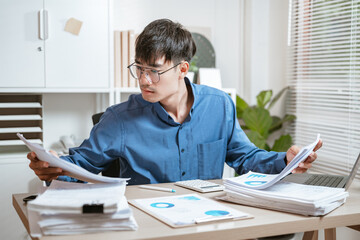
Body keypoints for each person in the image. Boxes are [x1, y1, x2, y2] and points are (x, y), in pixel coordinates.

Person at [27, 19, 322, 185]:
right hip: (148, 227)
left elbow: (244, 158)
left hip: (208, 221)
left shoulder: (220, 106)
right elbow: (80, 166)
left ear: (183, 69)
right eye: (139, 68)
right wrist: (53, 167)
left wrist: (286, 160)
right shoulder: (120, 118)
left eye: (154, 71)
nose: (143, 80)